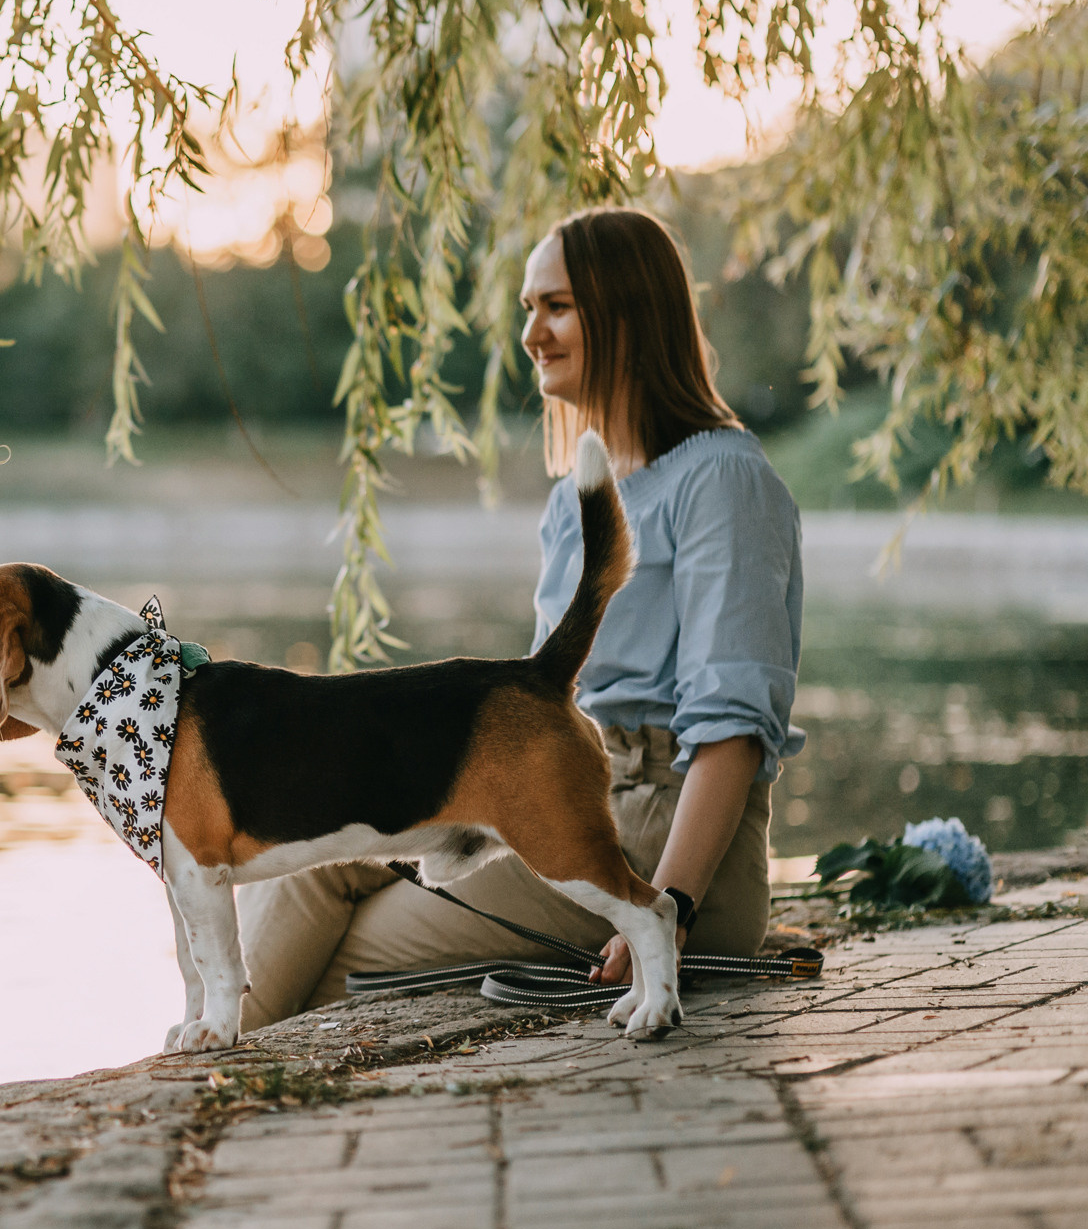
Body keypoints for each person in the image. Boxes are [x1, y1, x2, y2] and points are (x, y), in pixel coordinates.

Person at [237, 206, 804, 1028]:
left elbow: (733, 733)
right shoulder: (577, 499)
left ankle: (206, 1083)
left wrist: (672, 908)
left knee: (343, 963)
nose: (533, 331)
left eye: (558, 306)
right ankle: (217, 1053)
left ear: (630, 314)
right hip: (557, 789)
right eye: (527, 308)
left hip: (658, 830)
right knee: (316, 852)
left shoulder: (721, 480)